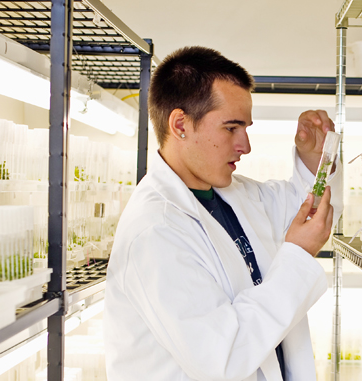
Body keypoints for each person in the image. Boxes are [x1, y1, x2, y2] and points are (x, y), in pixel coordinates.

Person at [103, 45, 342, 381]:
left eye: (245, 127)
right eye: (231, 128)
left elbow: (307, 211)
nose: (245, 145)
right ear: (180, 124)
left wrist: (316, 159)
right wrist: (299, 253)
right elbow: (222, 358)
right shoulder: (155, 231)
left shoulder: (232, 192)